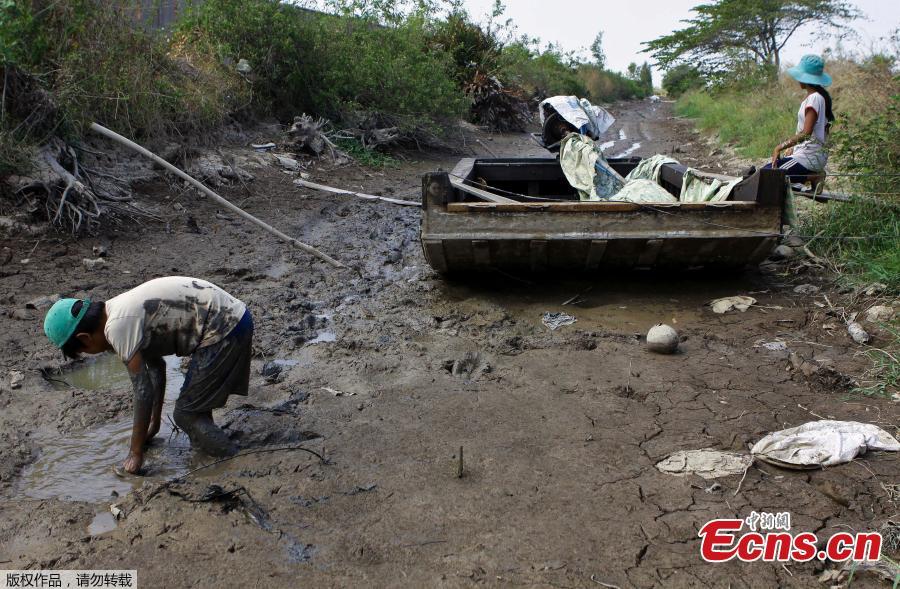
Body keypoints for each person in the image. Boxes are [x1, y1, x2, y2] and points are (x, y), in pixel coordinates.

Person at [42, 276, 253, 474]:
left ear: (85, 338)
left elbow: (142, 391)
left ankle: (236, 461)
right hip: (231, 318)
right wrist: (154, 424)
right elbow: (156, 369)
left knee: (185, 415)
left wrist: (135, 453)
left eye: (82, 351)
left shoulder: (117, 328)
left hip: (225, 326)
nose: (88, 354)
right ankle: (211, 454)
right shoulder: (116, 313)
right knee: (195, 408)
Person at [764, 54, 835, 188]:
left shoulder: (814, 98)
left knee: (769, 174)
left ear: (805, 78)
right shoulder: (817, 97)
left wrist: (779, 147)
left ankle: (814, 177)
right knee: (768, 171)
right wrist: (793, 148)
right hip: (808, 155)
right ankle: (808, 178)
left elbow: (806, 133)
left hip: (808, 157)